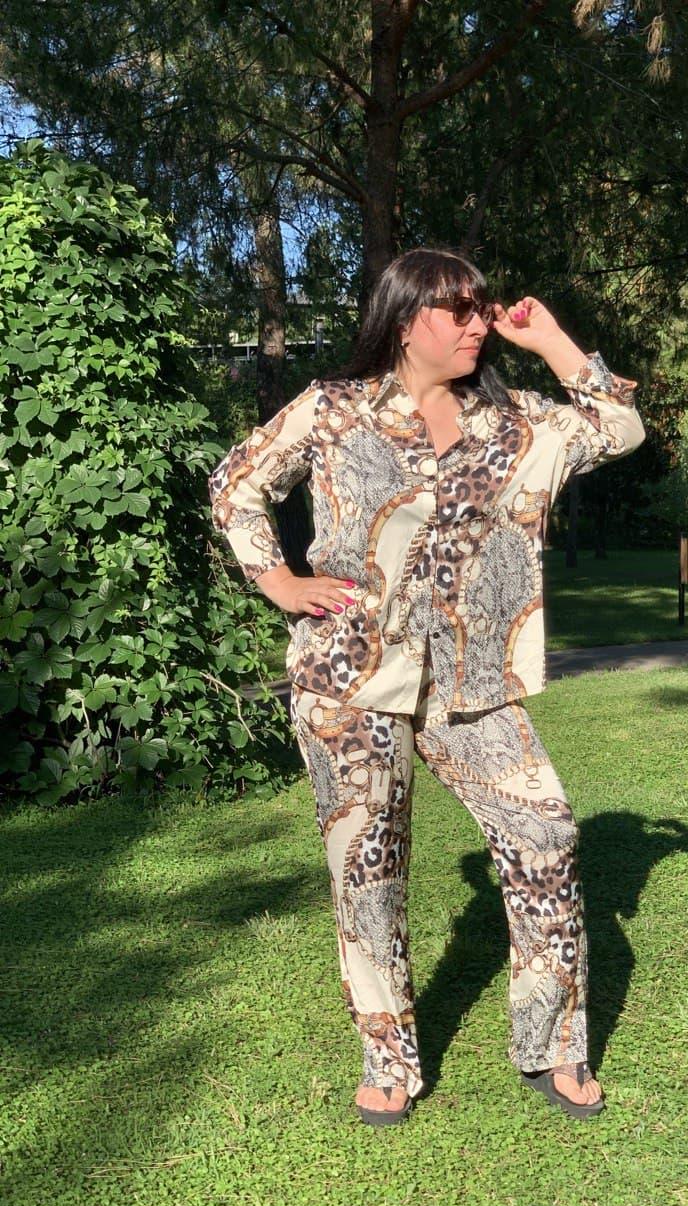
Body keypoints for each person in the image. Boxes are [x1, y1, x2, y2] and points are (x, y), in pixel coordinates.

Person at [209, 246, 645, 1125]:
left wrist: (551, 340)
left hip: (472, 682)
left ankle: (551, 1044)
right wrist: (279, 581)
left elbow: (619, 429)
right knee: (368, 870)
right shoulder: (334, 410)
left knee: (546, 834)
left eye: (483, 308)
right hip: (348, 676)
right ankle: (389, 1059)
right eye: (461, 310)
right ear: (407, 320)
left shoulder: (516, 423)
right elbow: (236, 484)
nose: (480, 324)